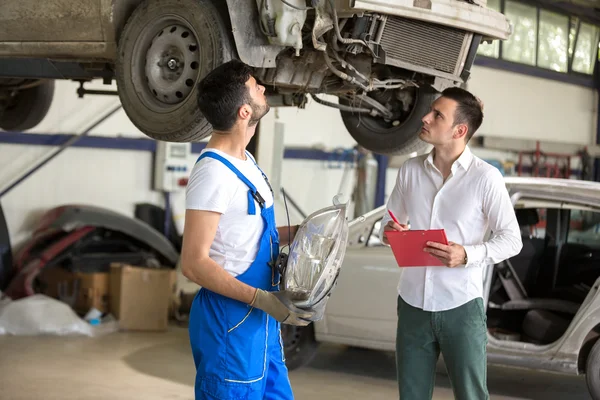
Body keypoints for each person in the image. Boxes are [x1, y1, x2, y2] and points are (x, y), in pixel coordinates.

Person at [180, 60, 314, 400]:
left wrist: (299, 231)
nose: (264, 89)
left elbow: (245, 235)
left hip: (263, 320)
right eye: (257, 87)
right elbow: (194, 263)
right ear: (244, 111)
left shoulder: (247, 163)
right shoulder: (213, 174)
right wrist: (259, 299)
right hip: (232, 319)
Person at [380, 87, 523, 400]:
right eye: (430, 110)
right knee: (412, 395)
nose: (426, 117)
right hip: (413, 304)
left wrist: (467, 255)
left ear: (460, 130)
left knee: (471, 395)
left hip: (461, 306)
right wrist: (392, 230)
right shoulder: (410, 170)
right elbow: (386, 227)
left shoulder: (486, 178)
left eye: (437, 115)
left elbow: (512, 240)